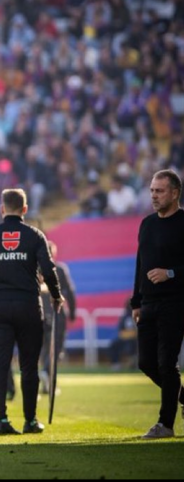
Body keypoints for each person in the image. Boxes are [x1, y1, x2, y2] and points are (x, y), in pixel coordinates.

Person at [0, 189, 63, 436]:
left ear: (2, 209)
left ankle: (1, 419)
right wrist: (55, 294)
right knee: (29, 366)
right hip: (29, 306)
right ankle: (30, 421)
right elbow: (49, 271)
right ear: (25, 209)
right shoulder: (35, 235)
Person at [131, 169, 184, 439]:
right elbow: (141, 264)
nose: (154, 195)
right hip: (148, 303)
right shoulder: (147, 224)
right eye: (152, 190)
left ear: (175, 193)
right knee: (146, 363)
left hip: (176, 302)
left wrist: (170, 273)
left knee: (166, 363)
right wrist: (136, 301)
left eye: (159, 191)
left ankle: (165, 424)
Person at [39, 241, 77, 394]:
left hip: (39, 313)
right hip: (57, 313)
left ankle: (46, 382)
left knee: (43, 348)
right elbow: (70, 292)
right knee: (56, 348)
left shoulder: (35, 269)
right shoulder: (60, 269)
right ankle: (47, 372)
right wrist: (73, 312)